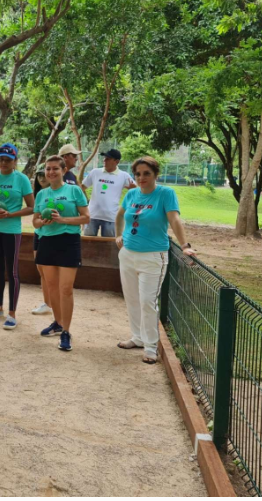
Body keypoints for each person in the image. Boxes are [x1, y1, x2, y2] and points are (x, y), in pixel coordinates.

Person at [115, 156, 197, 364]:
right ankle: (137, 337)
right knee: (132, 298)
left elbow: (174, 219)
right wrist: (118, 236)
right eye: (138, 174)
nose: (141, 178)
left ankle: (151, 347)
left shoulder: (165, 194)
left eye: (146, 173)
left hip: (153, 257)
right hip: (127, 255)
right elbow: (120, 215)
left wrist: (185, 246)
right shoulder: (132, 193)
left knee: (147, 301)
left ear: (155, 175)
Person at [33, 155, 89, 351]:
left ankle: (66, 331)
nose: (51, 172)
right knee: (51, 287)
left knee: (66, 288)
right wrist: (44, 222)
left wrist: (62, 219)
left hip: (68, 241)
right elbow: (35, 222)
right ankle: (57, 322)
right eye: (48, 169)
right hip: (47, 241)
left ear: (64, 170)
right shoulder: (41, 194)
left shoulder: (74, 190)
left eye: (55, 168)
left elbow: (86, 218)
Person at [0, 143, 34, 330]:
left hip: (11, 230)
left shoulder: (22, 179)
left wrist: (11, 214)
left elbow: (31, 207)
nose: (3, 162)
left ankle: (12, 313)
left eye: (8, 160)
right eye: (1, 158)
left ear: (15, 161)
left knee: (12, 271)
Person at [81, 148, 135, 237]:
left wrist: (133, 189)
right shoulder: (95, 172)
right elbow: (81, 188)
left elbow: (137, 191)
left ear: (116, 162)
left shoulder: (124, 176)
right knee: (88, 244)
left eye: (108, 158)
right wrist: (81, 206)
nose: (104, 160)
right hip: (92, 215)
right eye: (104, 158)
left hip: (111, 218)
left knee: (108, 247)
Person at [30, 164, 52, 316]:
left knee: (50, 272)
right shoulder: (38, 194)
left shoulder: (56, 192)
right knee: (41, 270)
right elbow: (35, 219)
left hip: (52, 236)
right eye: (39, 176)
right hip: (39, 233)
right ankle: (47, 303)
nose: (42, 178)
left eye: (44, 174)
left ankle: (52, 302)